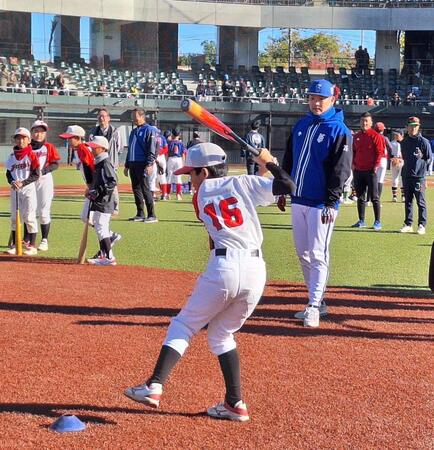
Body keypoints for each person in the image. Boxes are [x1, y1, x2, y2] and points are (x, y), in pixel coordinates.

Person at [124, 142, 295, 422]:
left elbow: (239, 195)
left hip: (224, 266)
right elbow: (287, 185)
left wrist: (265, 170)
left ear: (204, 172)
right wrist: (269, 164)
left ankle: (154, 385)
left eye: (193, 174)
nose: (190, 180)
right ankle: (234, 403)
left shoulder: (200, 196)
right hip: (256, 271)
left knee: (184, 324)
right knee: (221, 334)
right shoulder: (244, 182)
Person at [280, 79, 352, 328]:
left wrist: (332, 202)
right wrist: (281, 189)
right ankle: (317, 301)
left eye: (320, 98)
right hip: (298, 199)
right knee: (303, 254)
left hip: (322, 203)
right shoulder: (301, 124)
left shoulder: (339, 129)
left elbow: (340, 170)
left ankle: (313, 305)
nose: (315, 102)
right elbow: (288, 159)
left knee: (319, 254)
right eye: (312, 97)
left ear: (333, 100)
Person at [5, 128, 40, 256]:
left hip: (28, 189)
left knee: (29, 217)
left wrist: (23, 183)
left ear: (29, 140)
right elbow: (8, 173)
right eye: (18, 138)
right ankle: (15, 244)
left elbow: (36, 174)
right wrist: (12, 181)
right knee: (14, 218)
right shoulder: (11, 156)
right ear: (15, 140)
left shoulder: (31, 154)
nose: (21, 140)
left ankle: (32, 245)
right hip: (15, 189)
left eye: (24, 138)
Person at [85, 136, 119, 266]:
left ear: (102, 148)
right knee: (99, 226)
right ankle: (105, 255)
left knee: (101, 227)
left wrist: (97, 192)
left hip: (105, 201)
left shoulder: (105, 163)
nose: (92, 149)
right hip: (100, 200)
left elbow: (112, 181)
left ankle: (109, 257)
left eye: (94, 147)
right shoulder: (99, 162)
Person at [30, 120, 61, 251]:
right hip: (29, 182)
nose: (39, 134)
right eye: (36, 131)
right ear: (31, 133)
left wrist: (43, 171)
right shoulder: (27, 147)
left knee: (43, 212)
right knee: (29, 212)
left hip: (44, 181)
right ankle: (28, 240)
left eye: (42, 132)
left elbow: (55, 164)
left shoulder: (49, 147)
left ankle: (44, 239)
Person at [351, 112, 385, 231]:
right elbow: (353, 152)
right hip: (358, 170)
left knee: (374, 197)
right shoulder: (356, 136)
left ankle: (377, 221)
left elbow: (380, 152)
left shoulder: (376, 136)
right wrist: (353, 164)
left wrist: (376, 166)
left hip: (371, 171)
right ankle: (361, 220)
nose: (364, 123)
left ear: (371, 123)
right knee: (360, 197)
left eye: (366, 121)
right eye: (362, 121)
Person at [399, 117, 432, 235]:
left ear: (419, 127)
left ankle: (422, 224)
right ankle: (408, 224)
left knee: (420, 201)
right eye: (411, 125)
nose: (413, 128)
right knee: (408, 200)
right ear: (407, 127)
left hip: (419, 177)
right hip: (406, 176)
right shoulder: (404, 142)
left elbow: (428, 158)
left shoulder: (424, 142)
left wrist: (424, 174)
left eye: (416, 126)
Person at [124, 108, 158, 223]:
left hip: (142, 163)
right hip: (133, 163)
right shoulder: (134, 131)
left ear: (142, 117)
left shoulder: (149, 130)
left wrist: (149, 164)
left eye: (135, 117)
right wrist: (127, 164)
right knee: (136, 189)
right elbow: (130, 149)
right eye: (132, 117)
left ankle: (152, 214)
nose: (133, 119)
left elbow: (152, 148)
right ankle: (140, 213)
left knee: (145, 188)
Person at [88, 108, 123, 214]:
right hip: (97, 163)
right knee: (98, 184)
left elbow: (120, 148)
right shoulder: (93, 132)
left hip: (111, 162)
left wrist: (112, 159)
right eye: (99, 116)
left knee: (112, 185)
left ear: (108, 118)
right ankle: (99, 206)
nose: (101, 118)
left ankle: (115, 207)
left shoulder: (115, 131)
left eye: (103, 116)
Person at [373, 122, 393, 199]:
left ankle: (368, 200)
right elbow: (390, 147)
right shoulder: (384, 138)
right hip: (383, 159)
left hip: (373, 159)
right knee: (380, 180)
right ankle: (377, 199)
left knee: (371, 180)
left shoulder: (372, 137)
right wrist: (391, 156)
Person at [167, 128, 186, 201]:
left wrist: (166, 161)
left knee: (169, 176)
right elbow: (183, 153)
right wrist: (183, 163)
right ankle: (178, 195)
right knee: (178, 177)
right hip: (178, 159)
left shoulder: (169, 142)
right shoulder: (181, 143)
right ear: (179, 134)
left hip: (171, 159)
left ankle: (168, 194)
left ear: (172, 134)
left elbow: (167, 153)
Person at [389, 131, 404, 202]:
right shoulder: (401, 143)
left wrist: (392, 158)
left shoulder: (391, 143)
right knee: (400, 179)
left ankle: (395, 197)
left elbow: (389, 153)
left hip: (394, 160)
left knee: (395, 178)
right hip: (399, 160)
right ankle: (401, 196)